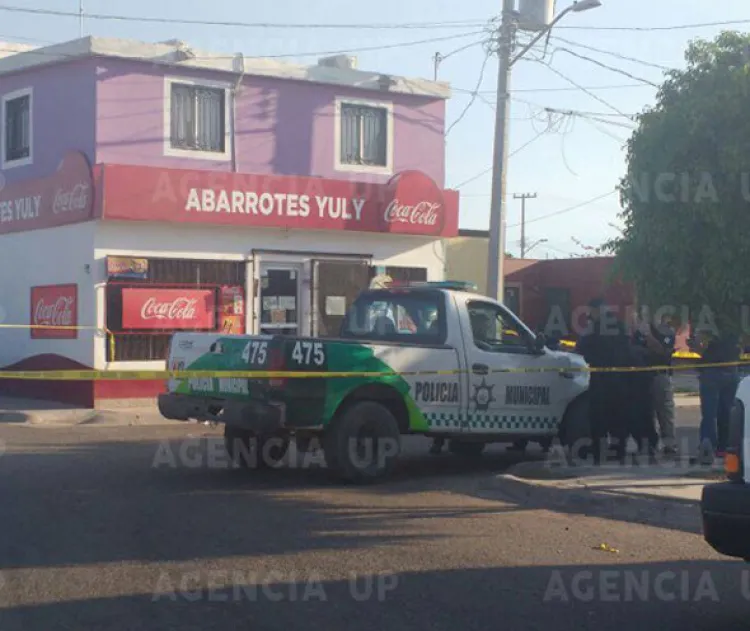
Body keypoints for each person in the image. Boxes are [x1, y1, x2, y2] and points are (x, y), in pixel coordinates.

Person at [575, 298, 632, 464]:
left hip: (601, 377)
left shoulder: (593, 328)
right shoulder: (620, 325)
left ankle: (599, 452)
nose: (588, 314)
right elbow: (627, 349)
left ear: (597, 310)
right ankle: (619, 450)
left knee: (599, 415)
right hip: (620, 378)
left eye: (590, 311)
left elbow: (582, 349)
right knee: (618, 415)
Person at [691, 323, 741, 464]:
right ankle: (724, 448)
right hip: (731, 369)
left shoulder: (706, 323)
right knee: (727, 412)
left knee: (709, 413)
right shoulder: (735, 320)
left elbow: (699, 346)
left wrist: (698, 348)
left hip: (711, 370)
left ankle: (708, 447)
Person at [648, 314, 677, 455]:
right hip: (643, 376)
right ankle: (649, 445)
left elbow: (663, 351)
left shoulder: (667, 331)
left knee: (665, 413)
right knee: (646, 413)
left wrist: (648, 336)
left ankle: (669, 446)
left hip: (661, 375)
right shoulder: (640, 330)